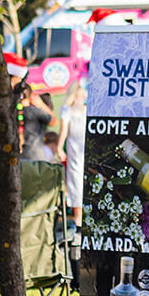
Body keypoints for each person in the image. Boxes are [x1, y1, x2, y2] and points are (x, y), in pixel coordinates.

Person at [59, 76, 87, 226]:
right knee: (75, 179)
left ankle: (82, 215)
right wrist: (59, 147)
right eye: (79, 96)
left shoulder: (86, 110)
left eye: (83, 96)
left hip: (84, 148)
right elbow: (63, 130)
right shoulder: (67, 110)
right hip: (74, 148)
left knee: (83, 178)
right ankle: (77, 215)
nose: (81, 99)